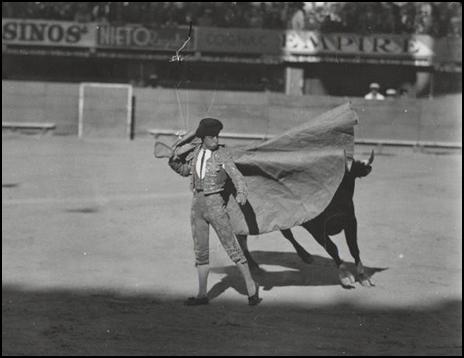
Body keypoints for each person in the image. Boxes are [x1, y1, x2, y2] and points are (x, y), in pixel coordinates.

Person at [168, 118, 262, 306]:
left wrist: (242, 192)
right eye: (212, 137)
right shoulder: (195, 153)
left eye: (217, 136)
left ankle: (251, 288)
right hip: (197, 206)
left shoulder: (222, 155)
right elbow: (186, 171)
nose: (216, 141)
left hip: (216, 205)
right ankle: (202, 294)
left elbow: (237, 177)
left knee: (232, 247)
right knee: (201, 252)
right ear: (203, 138)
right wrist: (173, 161)